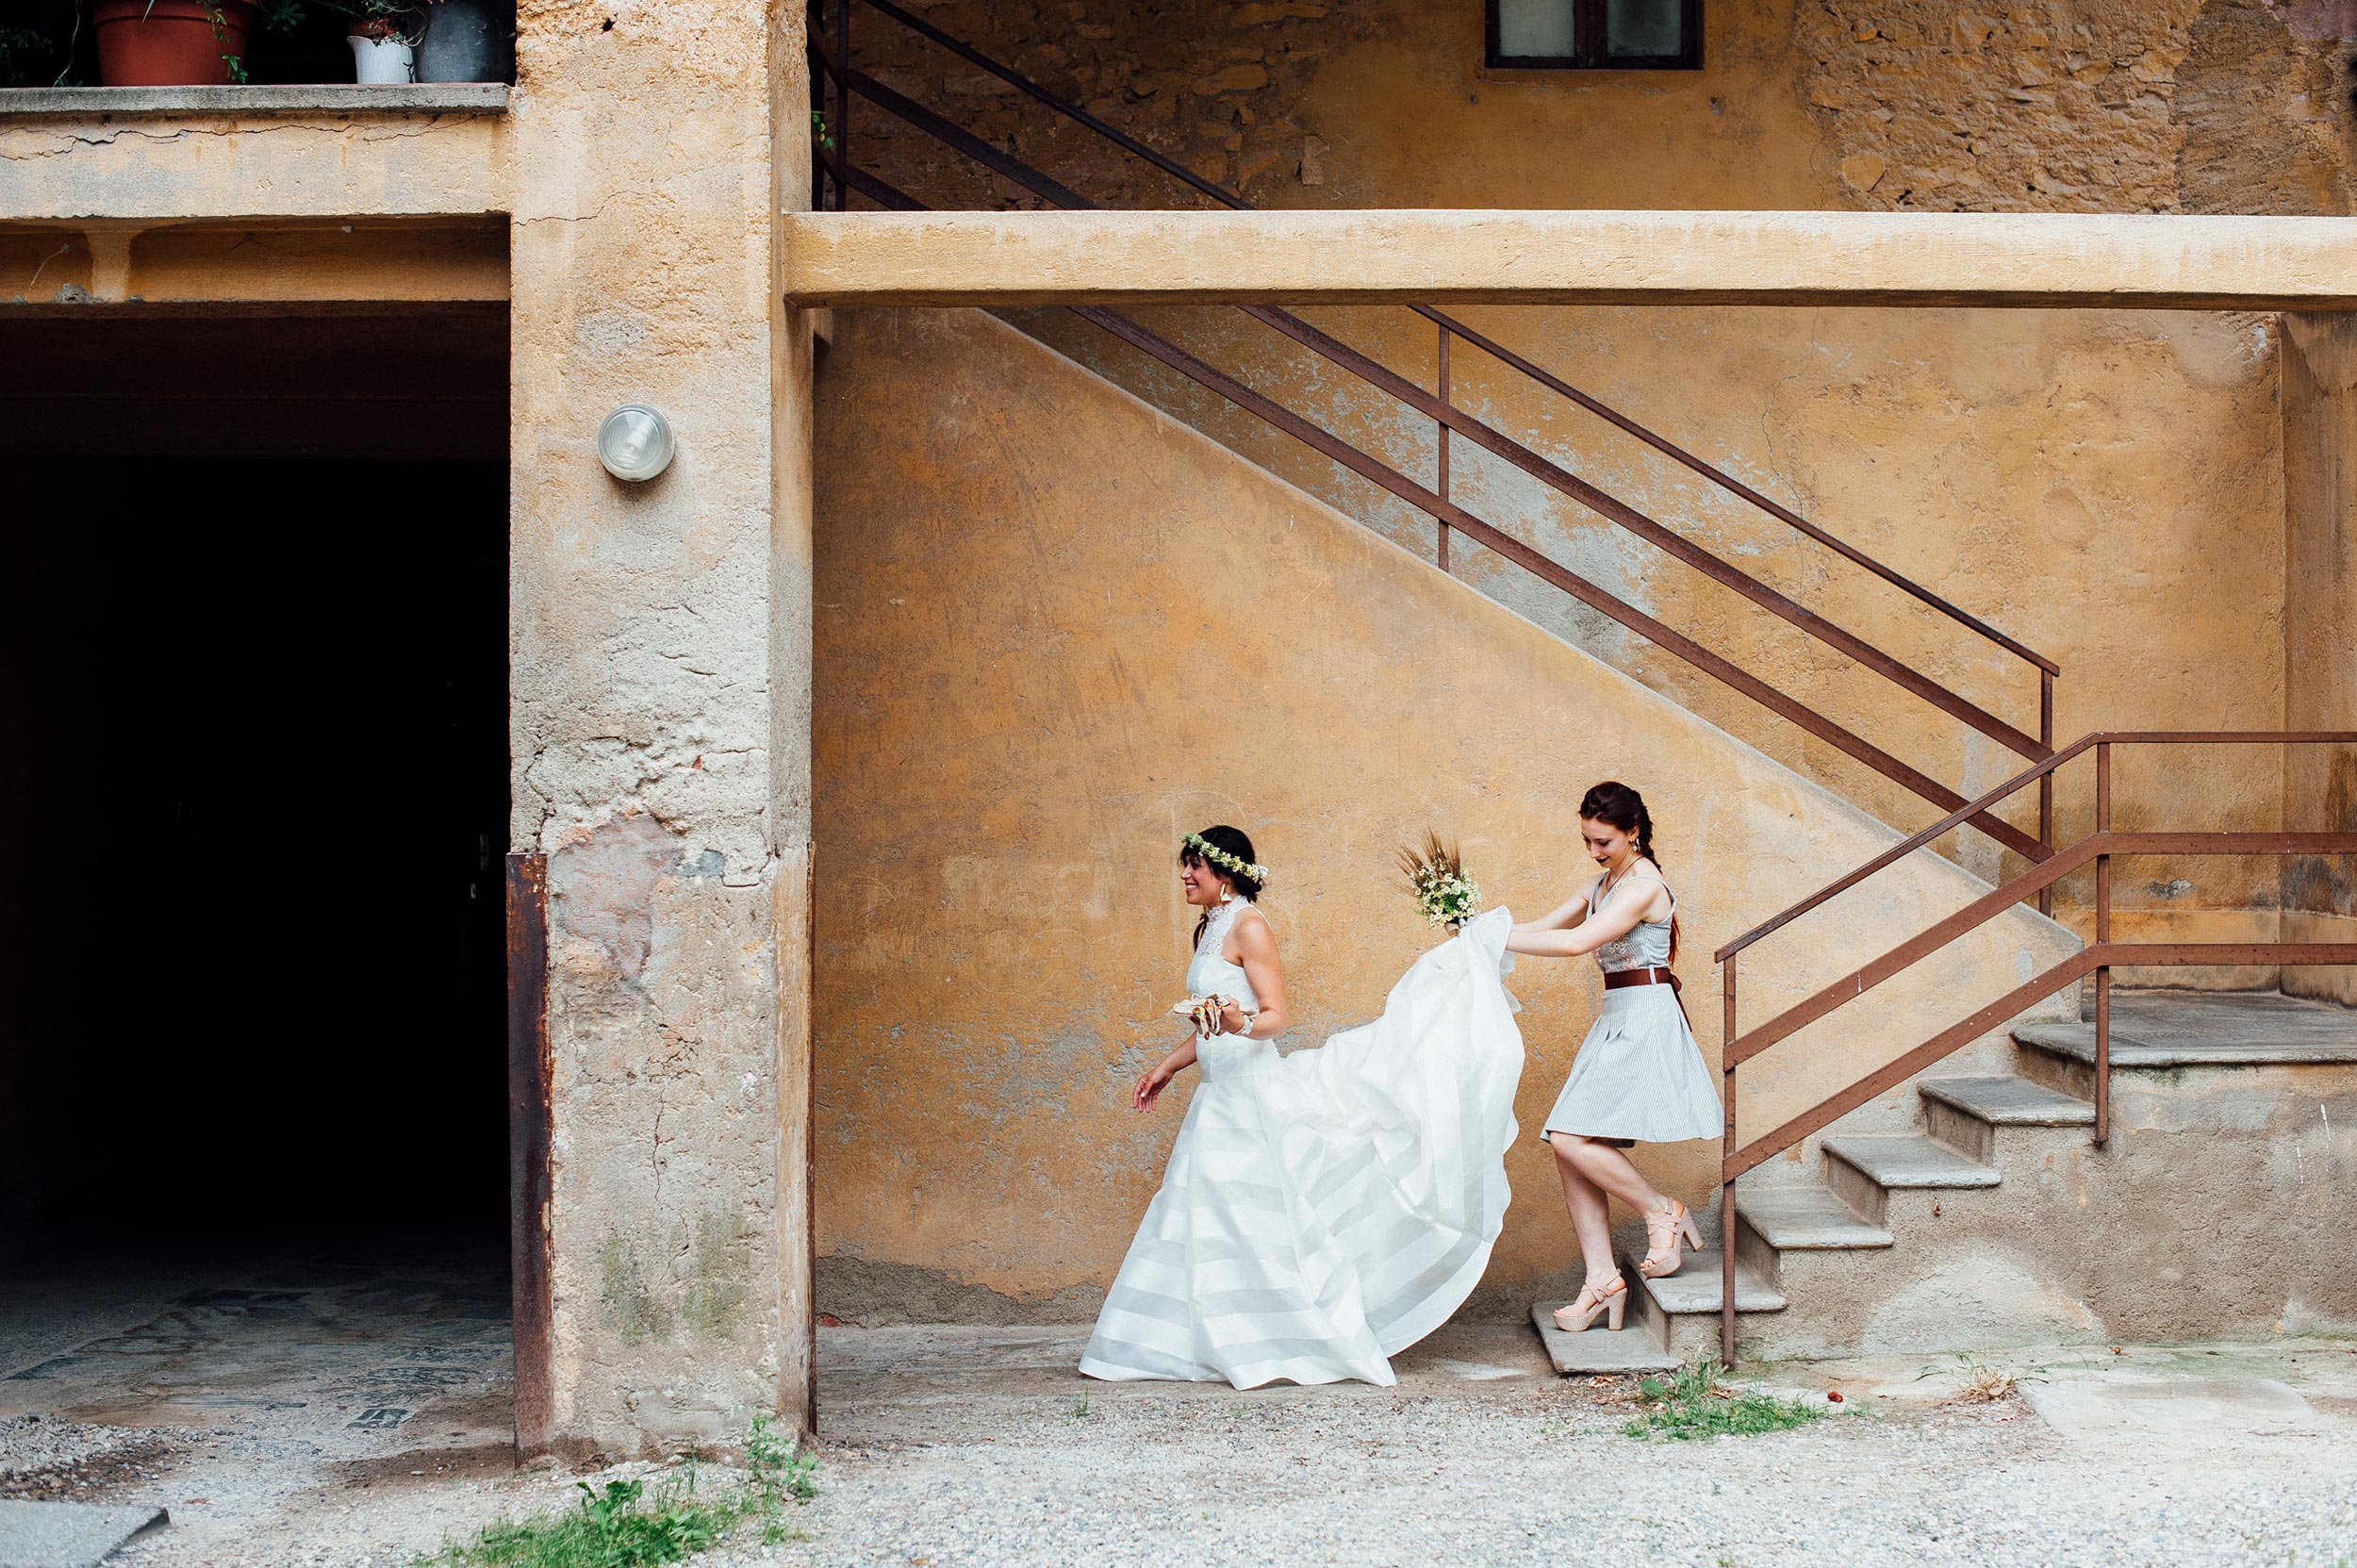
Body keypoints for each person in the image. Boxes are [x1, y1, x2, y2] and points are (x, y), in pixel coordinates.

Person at [1078, 825, 1525, 1389]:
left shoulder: (1250, 927)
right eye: (1184, 865)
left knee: (1249, 1218)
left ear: (1227, 872)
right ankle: (1193, 1340)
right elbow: (1210, 1019)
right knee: (1202, 1215)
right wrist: (1167, 1067)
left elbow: (1273, 1018)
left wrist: (1235, 1020)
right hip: (1219, 1096)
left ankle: (1281, 1338)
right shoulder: (1210, 928)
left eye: (1195, 865)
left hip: (1251, 1098)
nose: (1185, 875)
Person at [1506, 783, 1720, 1334]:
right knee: (1568, 1144)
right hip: (1617, 1014)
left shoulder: (1645, 886)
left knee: (1570, 1137)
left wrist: (1497, 939)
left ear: (1633, 832)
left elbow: (1577, 943)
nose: (1594, 851)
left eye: (1603, 841)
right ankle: (1601, 1279)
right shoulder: (1604, 881)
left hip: (1645, 1017)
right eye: (1587, 840)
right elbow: (1545, 926)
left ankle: (1659, 1209)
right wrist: (1477, 931)